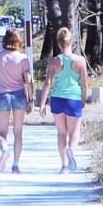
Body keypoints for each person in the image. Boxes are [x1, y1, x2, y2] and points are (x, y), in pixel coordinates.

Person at [38, 27, 89, 173]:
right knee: (74, 132)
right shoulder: (80, 61)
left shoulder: (54, 61)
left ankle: (64, 166)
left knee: (61, 133)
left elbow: (47, 83)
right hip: (73, 99)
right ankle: (71, 150)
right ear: (71, 42)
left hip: (57, 99)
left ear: (58, 43)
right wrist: (83, 100)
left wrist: (42, 104)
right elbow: (84, 84)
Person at [0, 28, 34, 173]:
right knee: (18, 132)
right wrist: (31, 99)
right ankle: (15, 164)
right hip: (19, 95)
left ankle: (5, 150)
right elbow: (29, 80)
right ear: (19, 41)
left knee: (2, 133)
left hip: (2, 95)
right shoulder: (23, 58)